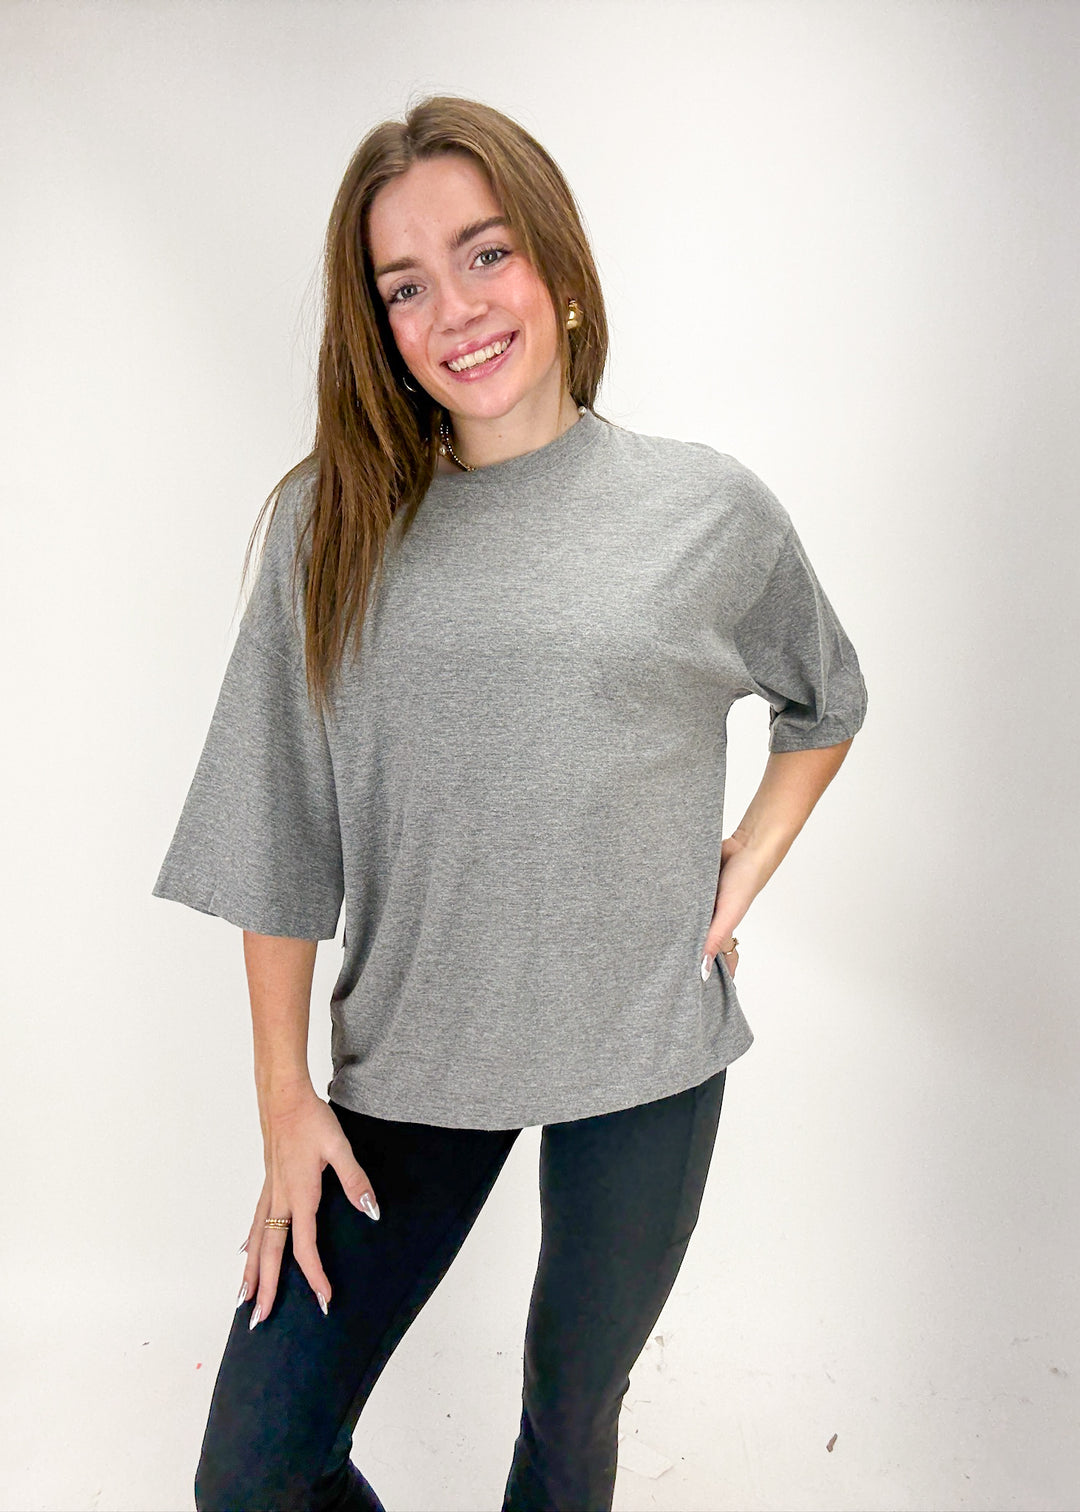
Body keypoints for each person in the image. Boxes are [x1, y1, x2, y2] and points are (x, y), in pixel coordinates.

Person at [152, 94, 868, 1512]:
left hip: (645, 1049)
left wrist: (740, 868)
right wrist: (285, 1102)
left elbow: (826, 700)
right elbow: (276, 829)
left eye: (486, 254)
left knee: (566, 1420)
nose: (456, 310)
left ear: (559, 262)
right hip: (414, 1060)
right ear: (379, 326)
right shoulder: (331, 525)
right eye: (405, 285)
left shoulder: (706, 510)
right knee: (255, 1471)